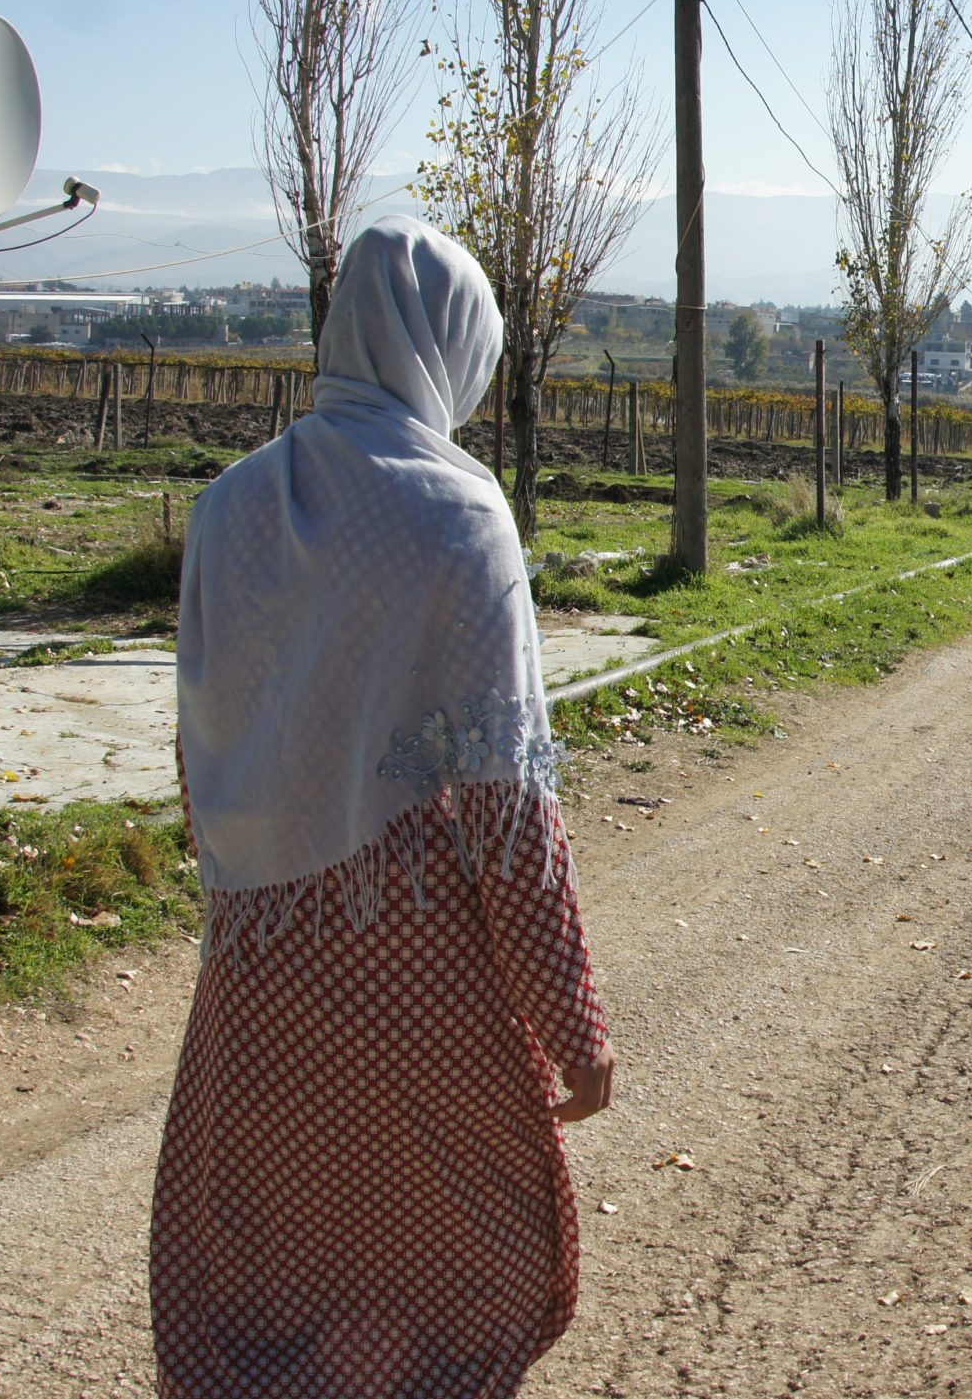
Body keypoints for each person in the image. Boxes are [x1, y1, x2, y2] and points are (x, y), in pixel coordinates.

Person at [152, 218, 614, 1398]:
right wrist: (573, 1025)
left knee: (274, 1301)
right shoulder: (459, 520)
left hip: (252, 991)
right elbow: (507, 806)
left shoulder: (225, 512)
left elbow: (201, 757)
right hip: (418, 996)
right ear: (447, 350)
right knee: (439, 1293)